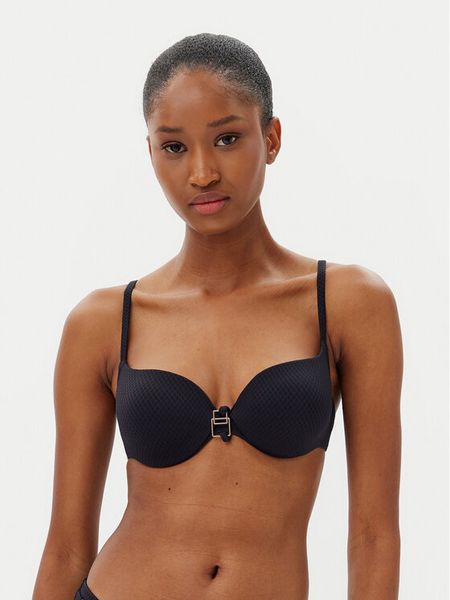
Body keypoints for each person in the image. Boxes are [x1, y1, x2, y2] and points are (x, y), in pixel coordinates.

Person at [32, 32, 403, 600]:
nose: (202, 173)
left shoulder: (349, 303)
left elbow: (373, 536)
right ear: (151, 154)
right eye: (174, 147)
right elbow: (65, 548)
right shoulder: (103, 322)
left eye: (227, 138)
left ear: (271, 138)